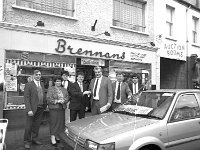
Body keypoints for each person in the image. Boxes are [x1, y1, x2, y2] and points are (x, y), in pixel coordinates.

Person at [24, 70, 47, 149]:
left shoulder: (42, 84)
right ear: (33, 75)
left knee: (36, 125)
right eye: (36, 74)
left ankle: (35, 139)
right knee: (29, 126)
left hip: (40, 108)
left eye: (39, 74)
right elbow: (26, 98)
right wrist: (29, 109)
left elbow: (43, 95)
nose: (38, 76)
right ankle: (27, 141)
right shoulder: (28, 84)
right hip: (32, 109)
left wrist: (45, 105)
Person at [46, 76, 69, 146]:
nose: (58, 82)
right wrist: (57, 101)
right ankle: (52, 137)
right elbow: (48, 98)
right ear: (54, 82)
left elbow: (67, 97)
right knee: (54, 123)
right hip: (54, 109)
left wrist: (64, 100)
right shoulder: (51, 89)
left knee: (60, 123)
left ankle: (57, 135)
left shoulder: (64, 89)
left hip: (62, 108)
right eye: (57, 81)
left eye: (59, 81)